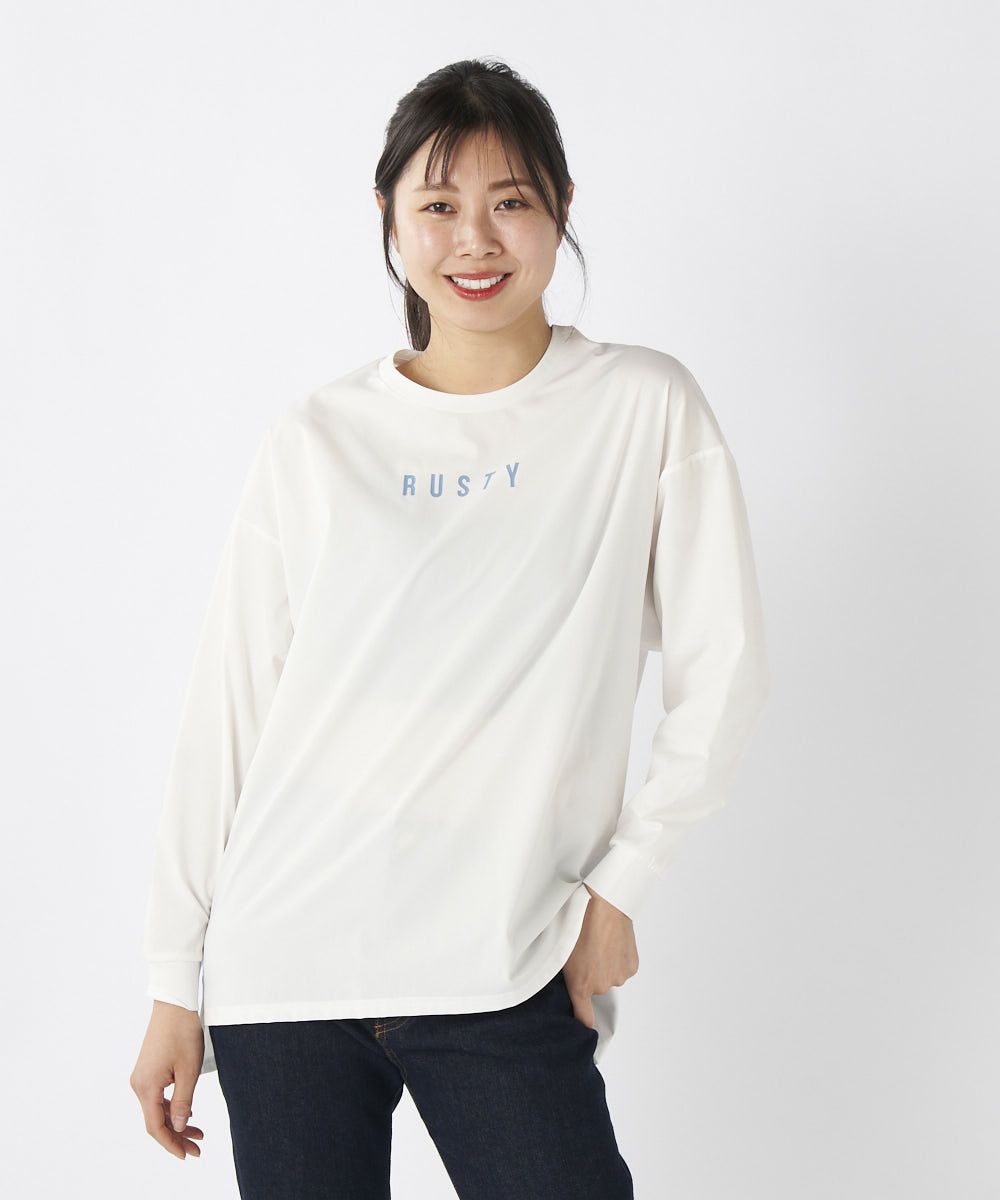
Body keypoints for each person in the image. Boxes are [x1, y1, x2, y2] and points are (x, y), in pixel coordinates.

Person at [129, 57, 770, 1199]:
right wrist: (175, 979)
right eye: (438, 205)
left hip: (505, 962)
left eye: (509, 201)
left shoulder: (641, 406)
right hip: (287, 968)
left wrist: (622, 887)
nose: (474, 239)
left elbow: (724, 676)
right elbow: (226, 714)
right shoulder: (319, 436)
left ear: (560, 207)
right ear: (389, 218)